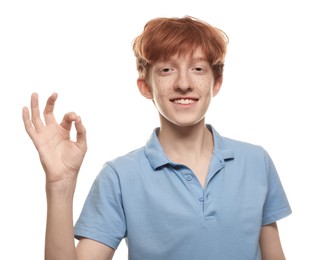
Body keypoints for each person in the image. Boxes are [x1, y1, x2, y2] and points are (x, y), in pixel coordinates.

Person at [22, 16, 291, 260]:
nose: (183, 83)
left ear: (216, 83)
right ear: (145, 86)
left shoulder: (257, 162)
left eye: (198, 69)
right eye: (166, 70)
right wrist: (60, 184)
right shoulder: (120, 176)